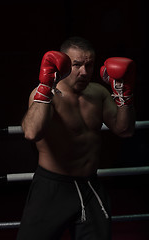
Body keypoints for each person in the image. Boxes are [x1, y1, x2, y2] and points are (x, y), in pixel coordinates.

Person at [17, 36, 135, 240]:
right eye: (77, 65)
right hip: (52, 188)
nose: (84, 72)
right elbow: (31, 133)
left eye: (89, 65)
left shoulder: (98, 93)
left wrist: (123, 95)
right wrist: (45, 89)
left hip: (89, 186)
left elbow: (124, 130)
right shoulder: (45, 95)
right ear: (62, 65)